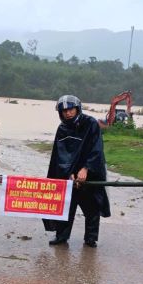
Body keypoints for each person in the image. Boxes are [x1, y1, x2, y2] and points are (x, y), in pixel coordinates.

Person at [42, 95, 110, 247]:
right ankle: (61, 236)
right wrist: (68, 174)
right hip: (70, 174)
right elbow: (60, 155)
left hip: (90, 172)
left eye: (70, 109)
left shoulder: (90, 124)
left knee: (92, 206)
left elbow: (96, 149)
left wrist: (86, 168)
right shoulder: (62, 129)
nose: (68, 113)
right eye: (64, 110)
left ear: (77, 108)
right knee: (66, 205)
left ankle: (91, 238)